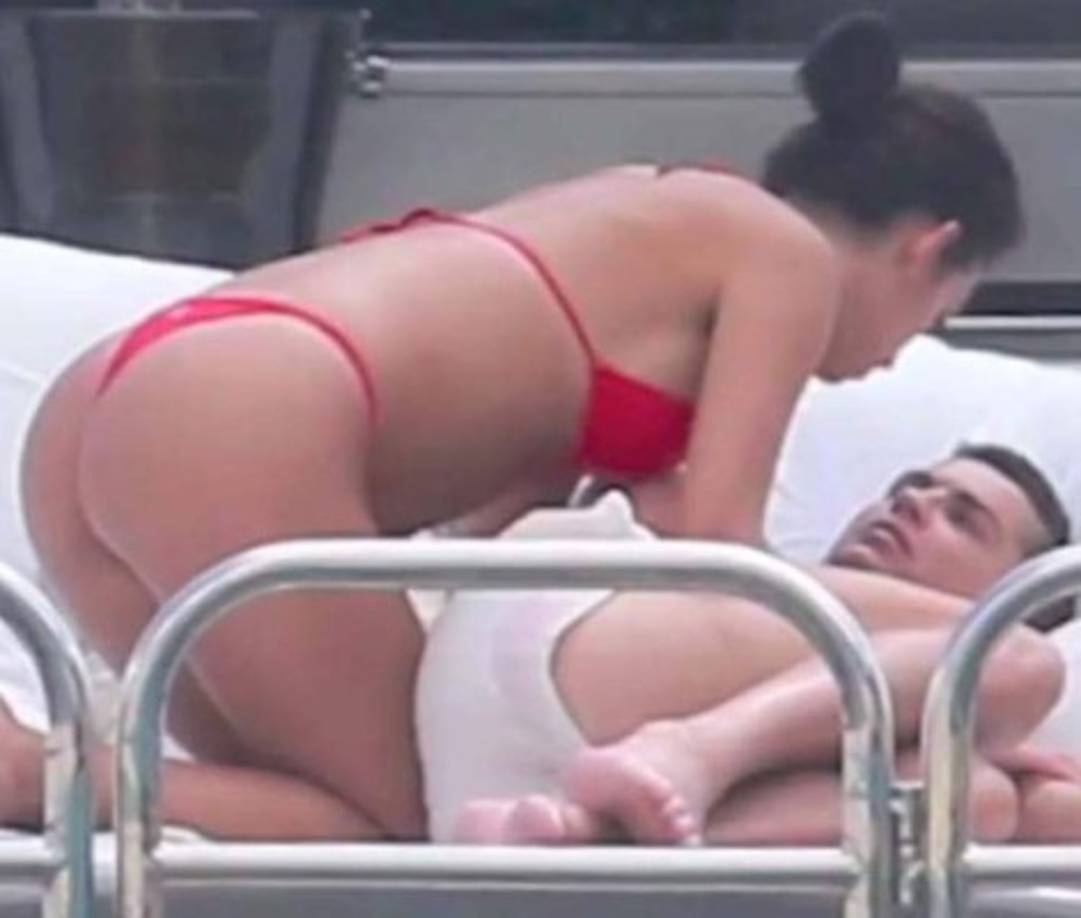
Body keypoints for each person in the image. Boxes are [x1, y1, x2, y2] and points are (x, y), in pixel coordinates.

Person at [19, 14, 1022, 840]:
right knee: (398, 826)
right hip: (238, 411)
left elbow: (494, 544)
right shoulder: (785, 257)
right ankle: (27, 776)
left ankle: (42, 773)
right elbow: (724, 554)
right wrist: (944, 678)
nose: (896, 357)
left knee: (284, 803)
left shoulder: (644, 210)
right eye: (933, 319)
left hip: (126, 393)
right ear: (924, 250)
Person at [423, 444, 1080, 845]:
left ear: (1021, 591)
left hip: (503, 796)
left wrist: (982, 752)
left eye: (962, 519)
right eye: (909, 488)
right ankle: (688, 751)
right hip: (561, 624)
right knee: (1016, 659)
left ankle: (595, 836)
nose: (911, 503)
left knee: (971, 797)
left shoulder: (877, 742)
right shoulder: (745, 571)